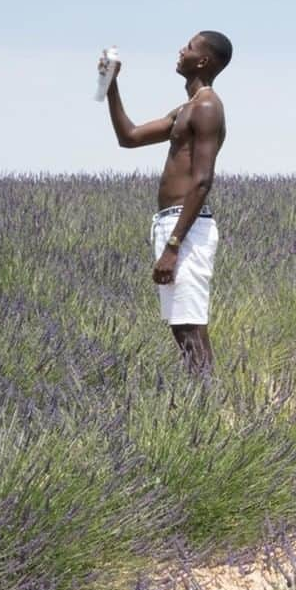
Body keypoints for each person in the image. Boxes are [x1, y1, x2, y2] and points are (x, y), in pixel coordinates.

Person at [103, 32, 231, 373]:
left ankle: (206, 411)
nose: (181, 50)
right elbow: (128, 137)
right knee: (181, 327)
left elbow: (202, 180)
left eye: (189, 47)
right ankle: (203, 408)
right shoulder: (186, 110)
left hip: (185, 229)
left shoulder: (207, 108)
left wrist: (174, 245)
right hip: (172, 223)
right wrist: (112, 85)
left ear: (202, 61)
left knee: (190, 329)